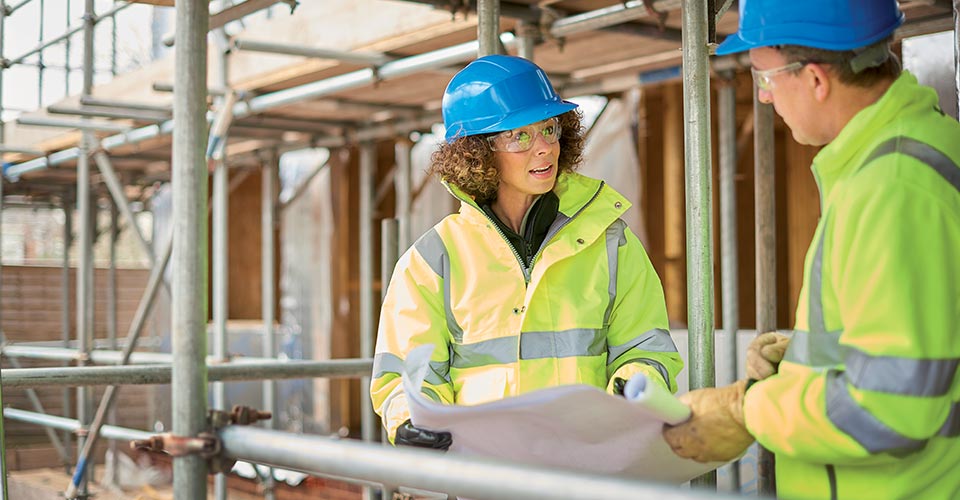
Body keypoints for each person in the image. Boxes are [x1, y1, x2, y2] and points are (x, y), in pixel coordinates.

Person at [662, 0, 960, 498]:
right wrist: (804, 360)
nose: (763, 98)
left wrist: (747, 410)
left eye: (765, 79)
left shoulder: (892, 187)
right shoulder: (909, 154)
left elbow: (889, 406)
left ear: (817, 80)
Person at [371, 54, 683, 450]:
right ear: (477, 152)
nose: (544, 149)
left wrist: (630, 392)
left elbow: (648, 349)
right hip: (487, 476)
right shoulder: (434, 259)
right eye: (519, 135)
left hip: (588, 468)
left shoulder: (611, 241)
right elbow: (405, 378)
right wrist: (412, 422)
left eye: (549, 129)